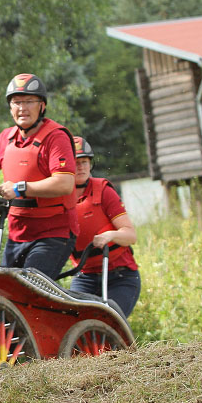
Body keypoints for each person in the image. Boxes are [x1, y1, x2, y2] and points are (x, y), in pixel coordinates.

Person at [0, 74, 76, 280]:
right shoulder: (5, 138)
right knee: (4, 289)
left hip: (53, 233)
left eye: (29, 101)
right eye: (16, 102)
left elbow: (65, 184)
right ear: (10, 108)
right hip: (17, 233)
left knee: (31, 288)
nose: (22, 108)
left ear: (41, 106)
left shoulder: (56, 137)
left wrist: (20, 188)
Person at [68, 136, 140, 317]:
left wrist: (111, 235)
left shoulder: (104, 191)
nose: (81, 167)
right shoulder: (58, 197)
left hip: (119, 275)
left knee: (109, 319)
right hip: (84, 276)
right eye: (76, 162)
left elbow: (130, 235)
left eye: (85, 162)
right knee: (73, 318)